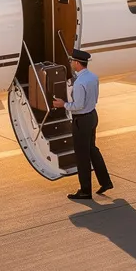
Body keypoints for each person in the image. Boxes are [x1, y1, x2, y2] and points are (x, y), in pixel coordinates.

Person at [52, 49, 111, 200]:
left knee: (82, 157)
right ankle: (105, 182)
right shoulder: (93, 77)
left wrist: (63, 104)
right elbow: (94, 98)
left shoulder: (79, 83)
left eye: (72, 61)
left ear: (77, 63)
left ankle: (85, 191)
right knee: (92, 150)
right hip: (92, 116)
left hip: (82, 121)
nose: (71, 63)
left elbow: (77, 105)